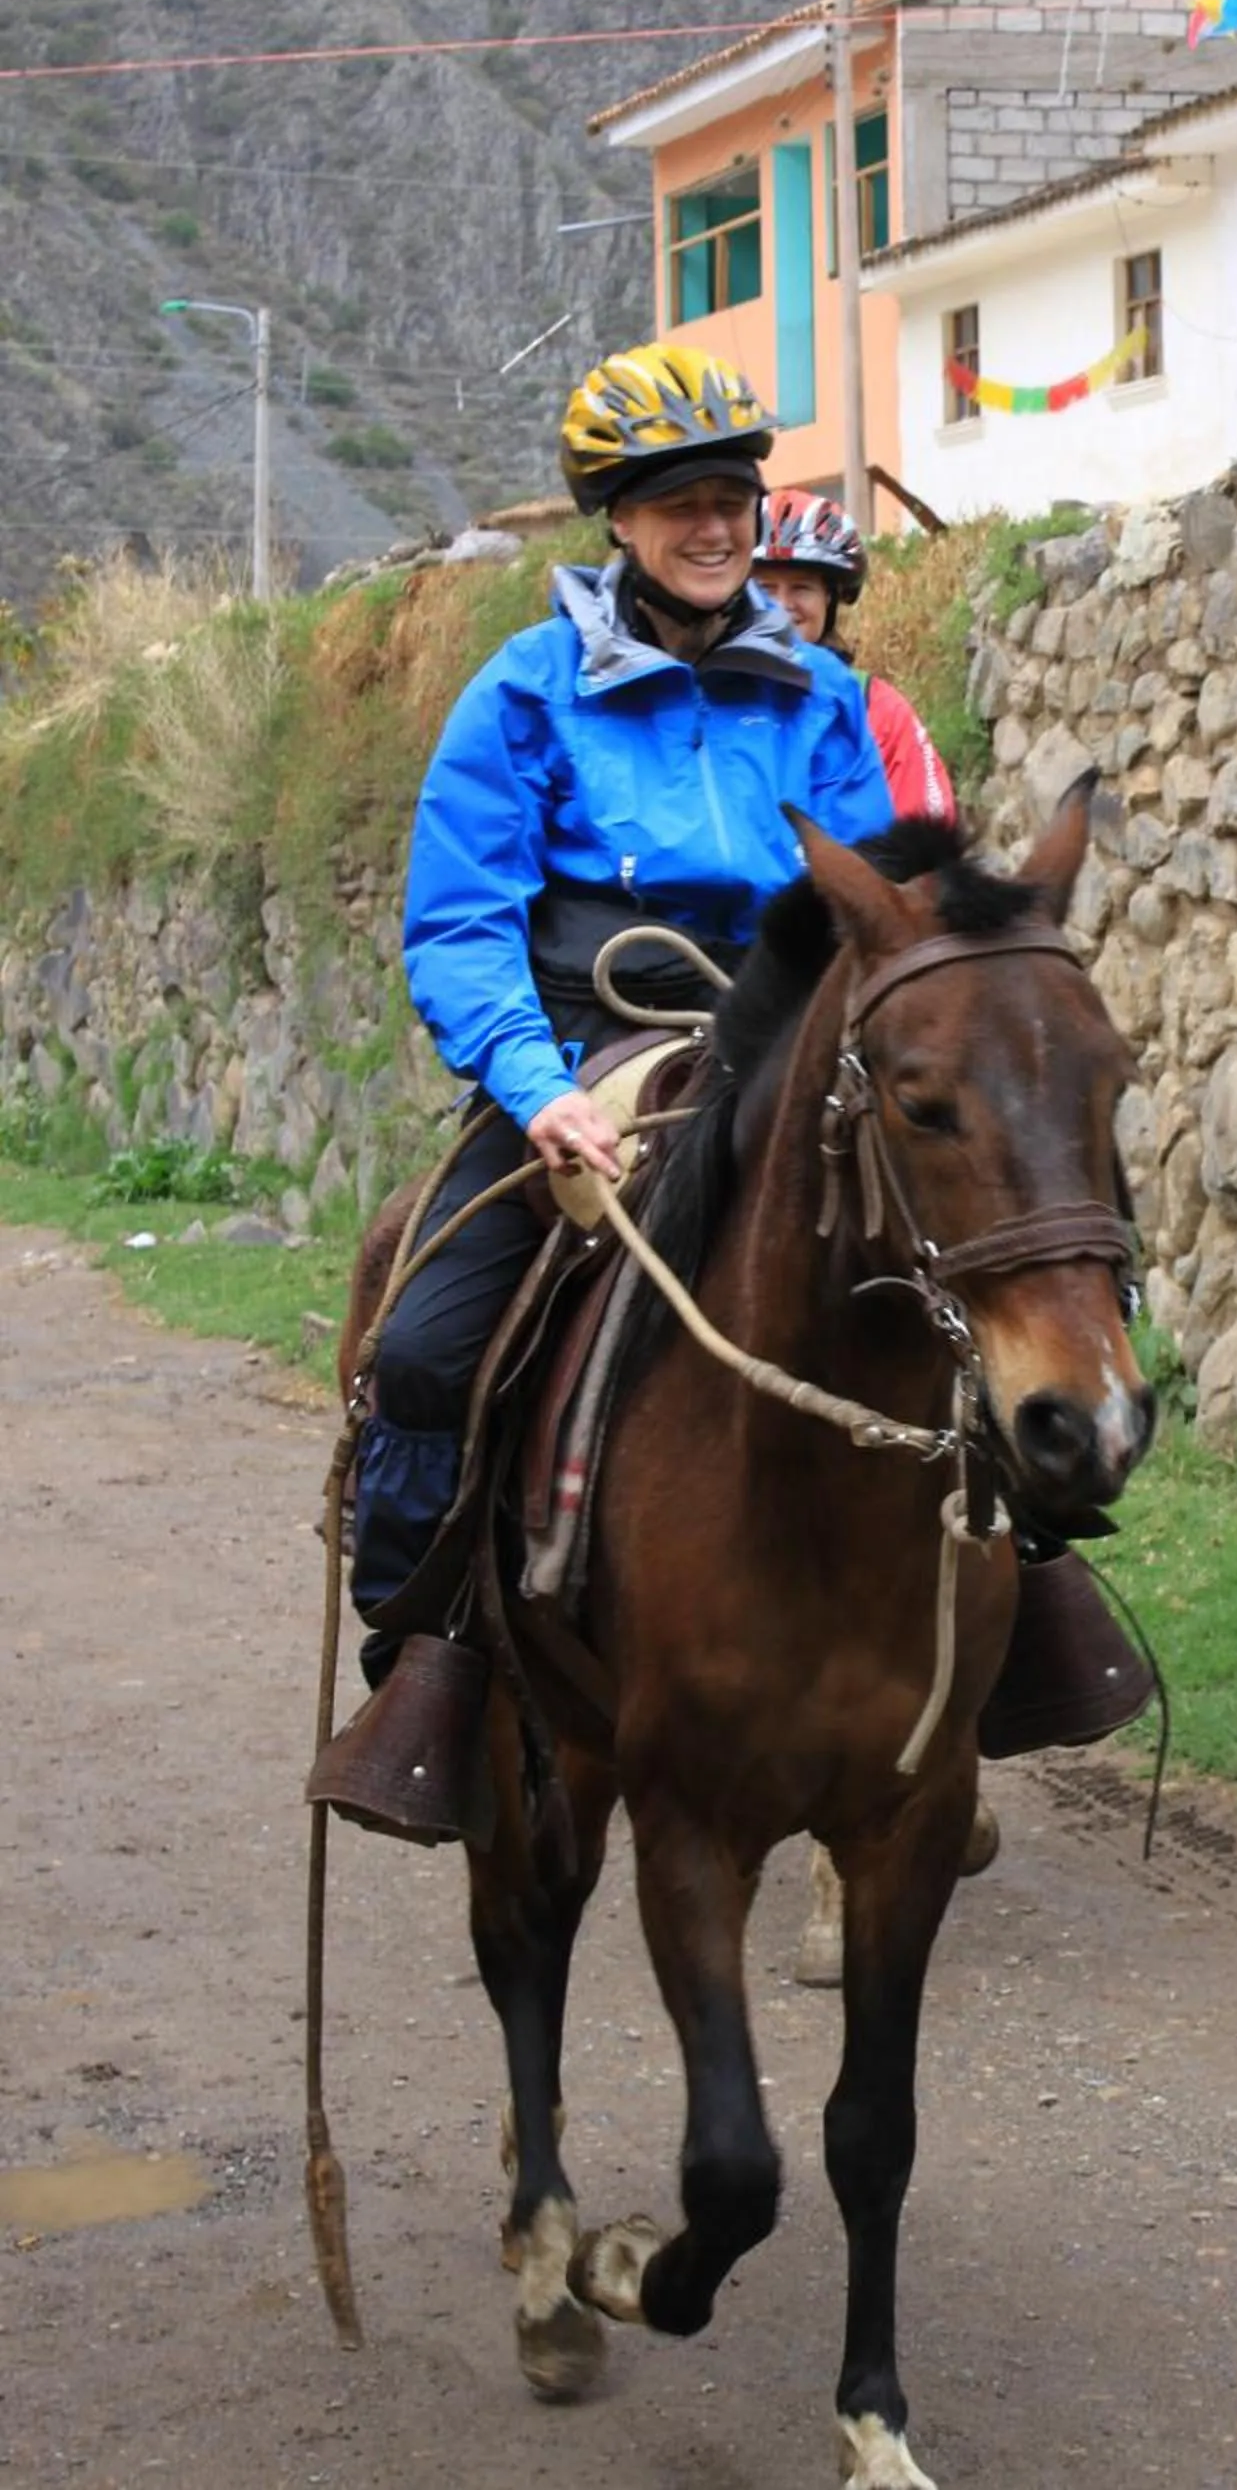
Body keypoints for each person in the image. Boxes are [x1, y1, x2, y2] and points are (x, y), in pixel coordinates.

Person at [343, 343, 895, 1683]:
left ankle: (1010, 1639)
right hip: (583, 1055)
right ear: (621, 524)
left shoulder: (823, 700)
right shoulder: (524, 692)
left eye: (730, 499)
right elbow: (464, 924)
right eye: (676, 504)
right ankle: (434, 1657)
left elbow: (878, 903)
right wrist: (539, 1092)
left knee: (977, 1287)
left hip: (783, 1054)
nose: (713, 528)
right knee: (422, 1347)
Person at [753, 490, 957, 824]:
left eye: (802, 587)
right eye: (765, 589)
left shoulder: (879, 709)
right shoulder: (706, 699)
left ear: (831, 600)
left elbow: (931, 840)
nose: (782, 606)